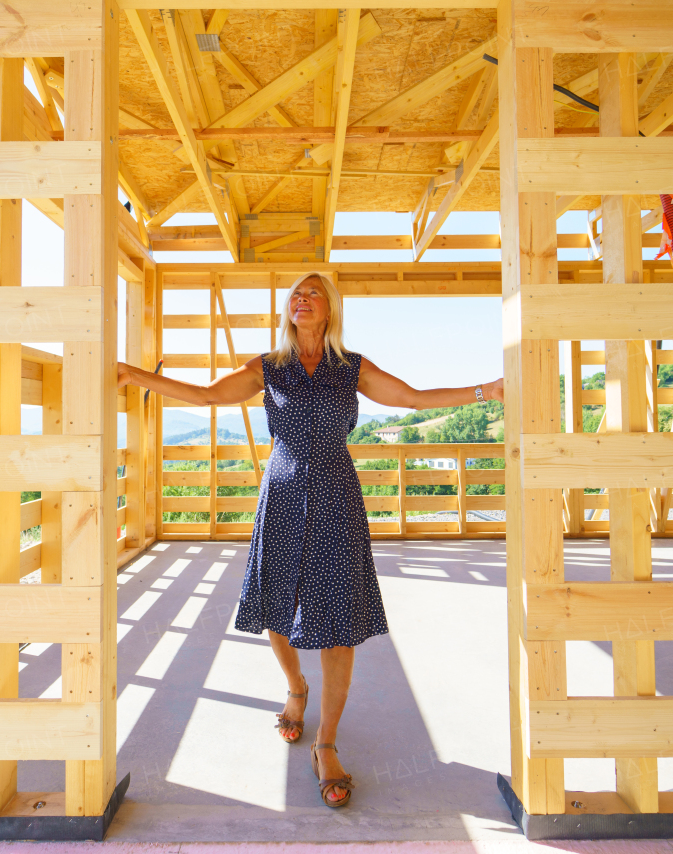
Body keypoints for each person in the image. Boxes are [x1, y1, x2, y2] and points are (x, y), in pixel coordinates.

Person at [118, 272, 504, 809]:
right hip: (280, 497)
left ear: (330, 309)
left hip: (336, 498)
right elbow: (206, 395)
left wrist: (488, 390)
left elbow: (413, 399)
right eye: (295, 295)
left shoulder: (353, 368)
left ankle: (326, 742)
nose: (302, 301)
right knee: (277, 611)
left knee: (338, 622)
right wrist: (136, 375)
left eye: (312, 293)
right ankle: (296, 689)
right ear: (288, 310)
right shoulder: (268, 367)